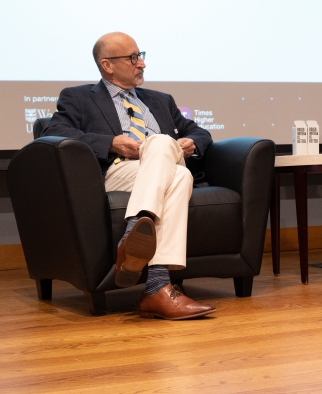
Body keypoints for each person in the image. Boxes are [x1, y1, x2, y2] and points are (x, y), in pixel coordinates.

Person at [44, 32, 217, 318]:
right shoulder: (78, 97)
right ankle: (158, 286)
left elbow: (199, 131)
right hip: (120, 170)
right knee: (178, 173)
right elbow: (55, 132)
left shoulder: (160, 100)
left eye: (141, 56)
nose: (142, 65)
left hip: (159, 168)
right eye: (133, 58)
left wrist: (192, 142)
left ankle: (136, 240)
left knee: (168, 154)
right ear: (107, 65)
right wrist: (110, 142)